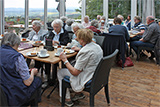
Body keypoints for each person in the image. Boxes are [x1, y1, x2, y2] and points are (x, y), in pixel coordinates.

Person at [57, 29, 103, 106]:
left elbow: (75, 72)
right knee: (71, 64)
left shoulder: (85, 51)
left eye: (77, 38)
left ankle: (66, 98)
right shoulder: (97, 46)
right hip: (96, 74)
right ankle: (78, 93)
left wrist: (64, 60)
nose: (76, 39)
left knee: (60, 72)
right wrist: (80, 49)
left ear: (81, 40)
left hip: (88, 77)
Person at [0, 33, 42, 106]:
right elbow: (27, 82)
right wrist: (32, 72)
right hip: (13, 92)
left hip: (2, 88)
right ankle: (31, 102)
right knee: (37, 80)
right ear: (16, 43)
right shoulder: (17, 57)